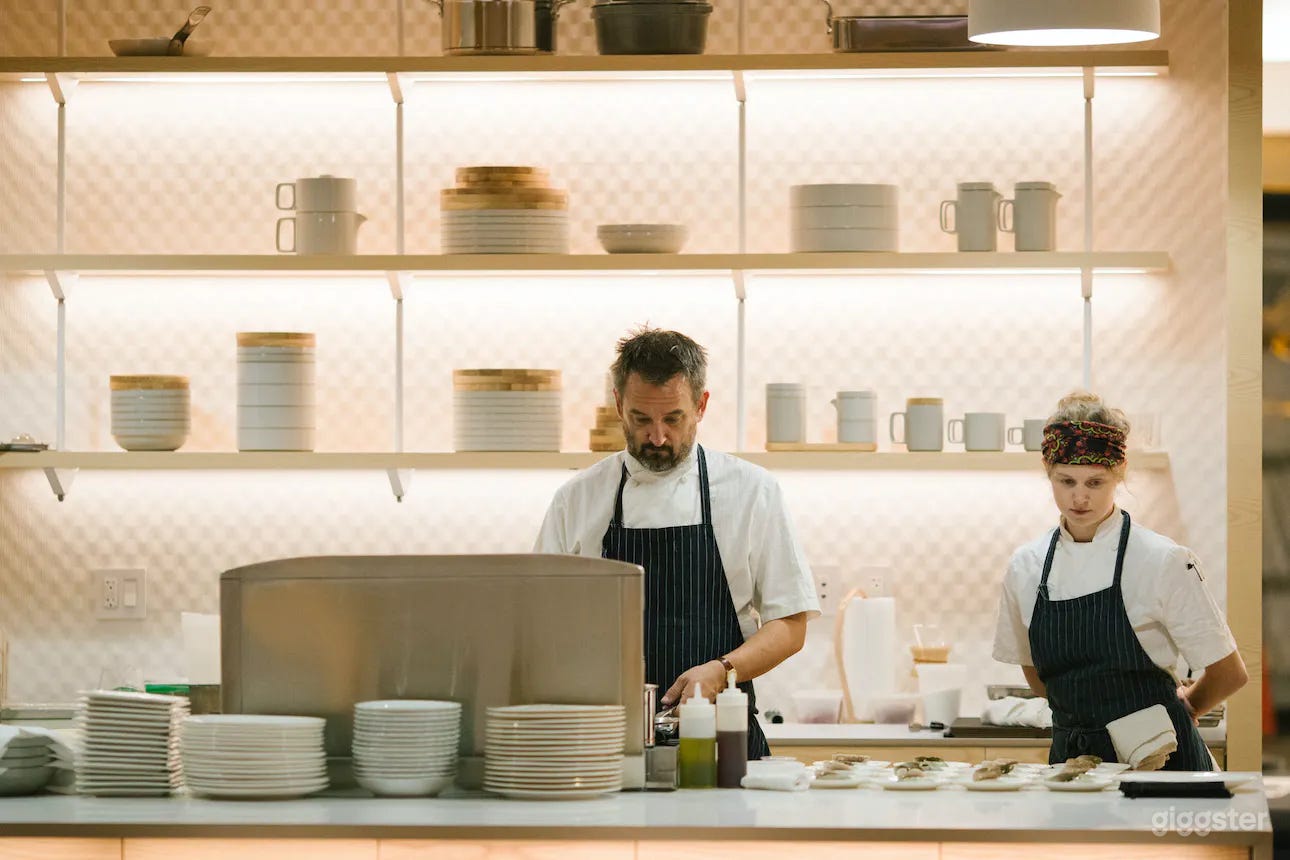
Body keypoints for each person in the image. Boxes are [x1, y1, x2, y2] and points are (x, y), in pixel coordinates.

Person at [534, 327, 820, 760]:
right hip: (606, 747)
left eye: (673, 419)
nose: (657, 438)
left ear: (701, 406)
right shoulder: (577, 500)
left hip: (723, 742)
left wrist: (722, 671)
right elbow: (542, 624)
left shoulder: (751, 491)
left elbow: (791, 625)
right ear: (617, 404)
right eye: (641, 419)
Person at [993, 392, 1249, 769]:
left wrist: (1188, 706)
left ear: (1119, 473)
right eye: (1066, 481)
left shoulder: (1162, 560)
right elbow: (1034, 671)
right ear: (1048, 472)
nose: (1079, 497)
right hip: (1074, 765)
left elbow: (1229, 673)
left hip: (1163, 763)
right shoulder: (1025, 567)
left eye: (1095, 483)